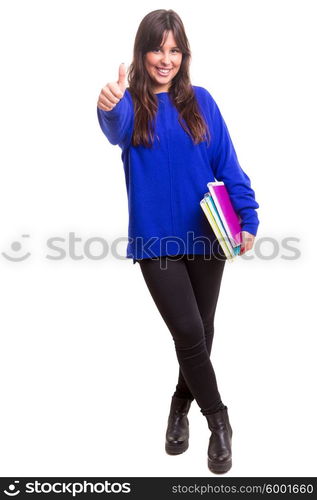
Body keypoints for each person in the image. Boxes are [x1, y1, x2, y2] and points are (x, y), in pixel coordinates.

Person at [96, 9, 260, 475]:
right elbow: (115, 129)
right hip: (156, 242)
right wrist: (109, 104)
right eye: (157, 49)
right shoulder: (130, 106)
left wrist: (248, 217)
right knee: (187, 332)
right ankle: (219, 422)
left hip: (210, 234)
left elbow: (227, 163)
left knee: (202, 335)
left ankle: (177, 405)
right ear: (142, 51)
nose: (166, 59)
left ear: (184, 54)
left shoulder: (202, 102)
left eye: (174, 50)